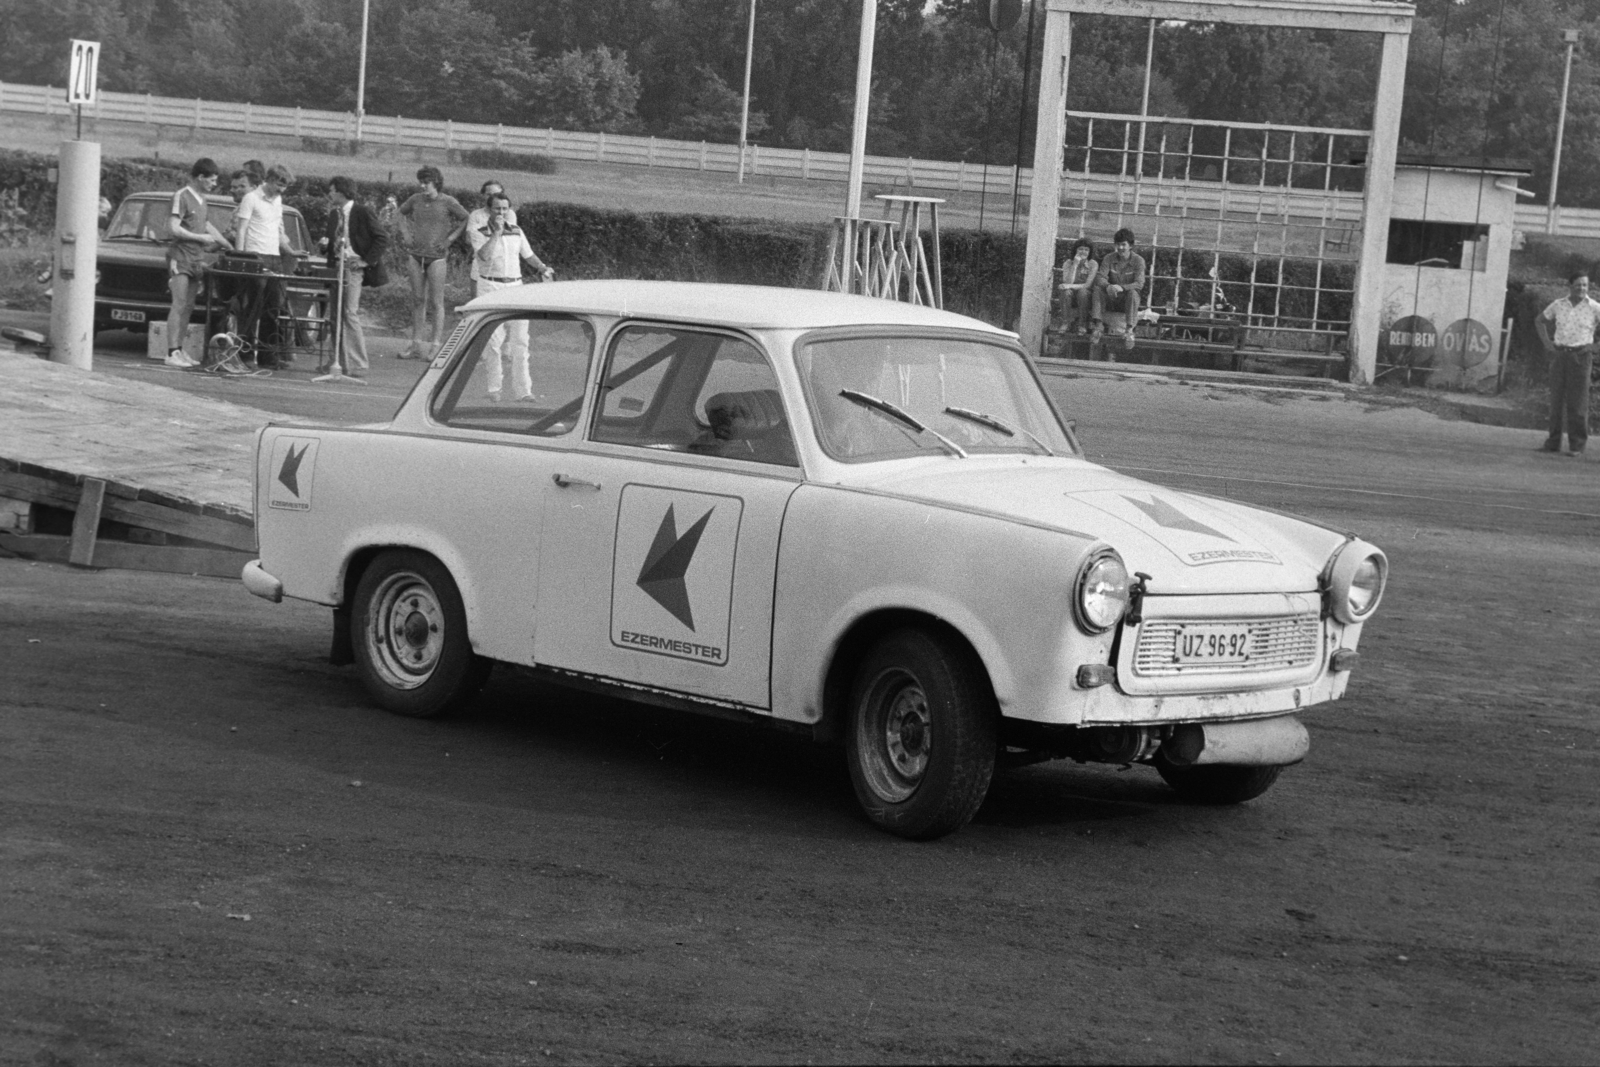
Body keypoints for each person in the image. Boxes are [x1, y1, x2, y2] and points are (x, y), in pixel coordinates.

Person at [469, 191, 554, 401]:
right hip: (490, 286)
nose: (501, 212)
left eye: (505, 209)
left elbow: (528, 255)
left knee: (520, 342)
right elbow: (484, 255)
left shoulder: (516, 231)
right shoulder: (479, 232)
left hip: (515, 286)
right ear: (489, 210)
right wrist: (496, 234)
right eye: (497, 208)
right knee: (493, 341)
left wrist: (543, 268)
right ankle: (494, 389)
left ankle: (524, 391)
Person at [162, 158, 232, 369]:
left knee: (189, 306)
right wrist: (200, 238)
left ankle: (180, 349)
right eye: (211, 180)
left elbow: (207, 225)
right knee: (179, 303)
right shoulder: (181, 196)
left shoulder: (203, 200)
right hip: (181, 257)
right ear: (200, 177)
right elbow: (173, 227)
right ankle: (171, 351)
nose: (213, 184)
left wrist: (226, 244)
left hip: (196, 259)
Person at [320, 176, 391, 379]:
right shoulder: (335, 214)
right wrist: (325, 246)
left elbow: (382, 237)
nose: (330, 194)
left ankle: (358, 364)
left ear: (342, 192)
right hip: (336, 266)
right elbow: (331, 241)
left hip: (353, 266)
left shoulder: (362, 211)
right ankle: (336, 361)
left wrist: (366, 261)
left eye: (333, 190)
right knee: (335, 315)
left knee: (350, 312)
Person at [231, 163, 299, 367]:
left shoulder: (278, 200)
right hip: (255, 256)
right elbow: (242, 229)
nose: (282, 190)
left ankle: (268, 356)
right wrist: (241, 257)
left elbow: (278, 231)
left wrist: (290, 251)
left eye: (285, 187)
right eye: (279, 184)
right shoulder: (251, 198)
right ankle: (246, 355)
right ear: (268, 180)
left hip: (273, 257)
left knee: (273, 308)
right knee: (252, 307)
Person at [398, 165, 469, 360]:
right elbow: (400, 213)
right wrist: (405, 233)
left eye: (426, 183)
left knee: (437, 302)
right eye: (420, 182)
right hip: (415, 255)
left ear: (435, 182)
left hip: (436, 257)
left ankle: (435, 345)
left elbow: (465, 218)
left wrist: (450, 240)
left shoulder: (448, 201)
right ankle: (415, 344)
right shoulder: (415, 199)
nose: (423, 186)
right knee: (417, 299)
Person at [1533, 270, 1599, 456]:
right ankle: (1553, 442)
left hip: (1580, 357)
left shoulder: (1594, 307)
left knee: (1577, 403)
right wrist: (1548, 344)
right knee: (1556, 401)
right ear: (1570, 286)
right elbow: (1540, 320)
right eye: (1578, 284)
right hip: (1560, 355)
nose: (1581, 288)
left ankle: (1577, 445)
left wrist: (1594, 347)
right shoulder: (1559, 305)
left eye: (1585, 285)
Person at [1092, 227, 1147, 350]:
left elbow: (1139, 283)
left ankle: (1129, 331)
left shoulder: (1138, 261)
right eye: (1118, 244)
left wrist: (1121, 287)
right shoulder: (1109, 258)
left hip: (1126, 300)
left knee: (1134, 293)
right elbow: (1100, 277)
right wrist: (1108, 286)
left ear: (1130, 245)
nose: (1121, 248)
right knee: (1097, 289)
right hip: (1111, 297)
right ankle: (1098, 327)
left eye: (1124, 245)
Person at [466, 179, 517, 287]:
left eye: (496, 194)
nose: (492, 197)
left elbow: (509, 239)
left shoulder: (509, 214)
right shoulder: (476, 215)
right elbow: (468, 238)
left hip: (503, 265)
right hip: (480, 262)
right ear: (483, 196)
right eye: (488, 194)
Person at [1056, 238, 1098, 336]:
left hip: (1086, 296)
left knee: (1082, 292)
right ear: (1075, 250)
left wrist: (1069, 286)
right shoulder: (1068, 263)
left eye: (1086, 250)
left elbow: (1087, 285)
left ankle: (1082, 324)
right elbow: (1067, 282)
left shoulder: (1093, 264)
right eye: (1080, 249)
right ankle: (1065, 322)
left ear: (1090, 252)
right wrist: (1075, 265)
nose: (1083, 252)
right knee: (1065, 292)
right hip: (1072, 295)